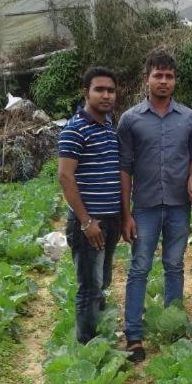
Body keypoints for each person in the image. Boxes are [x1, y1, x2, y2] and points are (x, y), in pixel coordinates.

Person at [118, 49, 192, 361]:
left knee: (175, 266)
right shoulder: (130, 120)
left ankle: (173, 328)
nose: (164, 81)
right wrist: (126, 213)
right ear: (147, 79)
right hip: (145, 207)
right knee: (139, 268)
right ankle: (134, 336)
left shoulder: (189, 118)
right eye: (158, 76)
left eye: (169, 76)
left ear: (175, 81)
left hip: (180, 206)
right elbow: (124, 168)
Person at [57, 66, 122, 344]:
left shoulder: (108, 125)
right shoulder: (75, 129)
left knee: (102, 281)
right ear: (87, 93)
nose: (106, 95)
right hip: (90, 223)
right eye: (99, 90)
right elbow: (65, 176)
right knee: (89, 286)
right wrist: (86, 222)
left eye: (110, 90)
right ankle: (88, 345)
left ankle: (100, 333)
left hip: (111, 219)